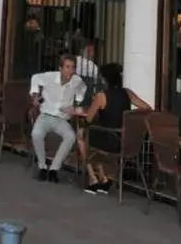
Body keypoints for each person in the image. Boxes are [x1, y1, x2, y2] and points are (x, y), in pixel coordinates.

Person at [82, 62, 151, 194]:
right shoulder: (128, 93)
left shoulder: (101, 96)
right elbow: (147, 108)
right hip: (127, 142)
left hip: (110, 141)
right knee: (94, 137)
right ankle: (103, 179)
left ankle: (93, 178)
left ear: (104, 79)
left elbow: (88, 119)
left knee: (81, 135)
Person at [29, 53, 86, 183]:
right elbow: (35, 78)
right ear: (60, 68)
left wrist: (77, 102)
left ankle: (54, 169)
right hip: (45, 115)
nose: (70, 71)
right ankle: (42, 167)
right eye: (67, 67)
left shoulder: (77, 80)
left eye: (73, 67)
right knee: (36, 134)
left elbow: (82, 89)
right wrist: (35, 95)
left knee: (71, 136)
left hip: (62, 118)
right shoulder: (49, 77)